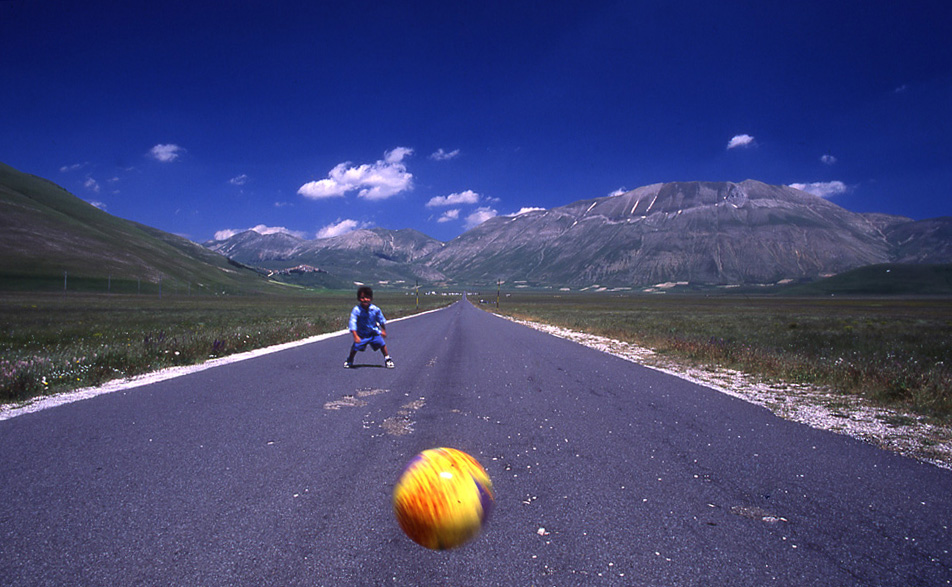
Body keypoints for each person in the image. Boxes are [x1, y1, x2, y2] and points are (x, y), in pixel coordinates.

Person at [344, 286, 394, 369]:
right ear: (358, 298)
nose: (365, 300)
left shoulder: (375, 309)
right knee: (355, 347)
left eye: (367, 297)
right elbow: (353, 322)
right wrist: (355, 336)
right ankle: (350, 359)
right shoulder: (356, 310)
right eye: (362, 297)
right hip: (361, 334)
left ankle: (387, 359)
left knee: (382, 344)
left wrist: (383, 330)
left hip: (373, 333)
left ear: (371, 298)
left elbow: (381, 320)